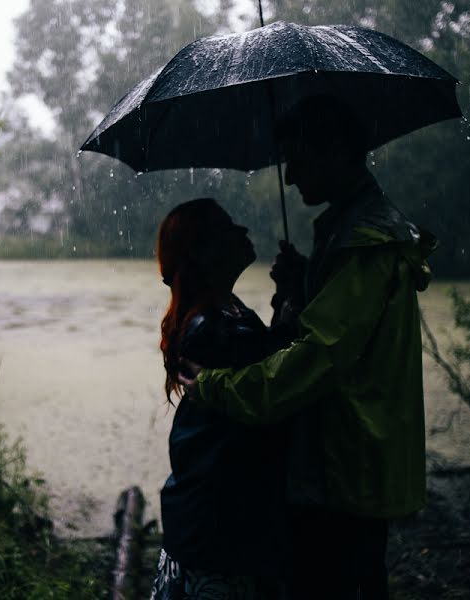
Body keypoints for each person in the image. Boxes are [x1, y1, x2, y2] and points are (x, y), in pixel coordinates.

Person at [178, 96, 438, 599]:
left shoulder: (366, 242)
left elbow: (317, 358)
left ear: (338, 151)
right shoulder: (347, 231)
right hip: (340, 464)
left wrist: (216, 387)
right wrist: (303, 291)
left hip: (345, 469)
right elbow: (341, 332)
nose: (291, 176)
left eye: (299, 158)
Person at [150, 198, 296, 600]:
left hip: (219, 511)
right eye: (228, 227)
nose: (243, 232)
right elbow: (275, 371)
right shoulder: (211, 328)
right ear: (202, 251)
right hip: (219, 519)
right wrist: (294, 302)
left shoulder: (226, 312)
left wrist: (286, 298)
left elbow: (263, 354)